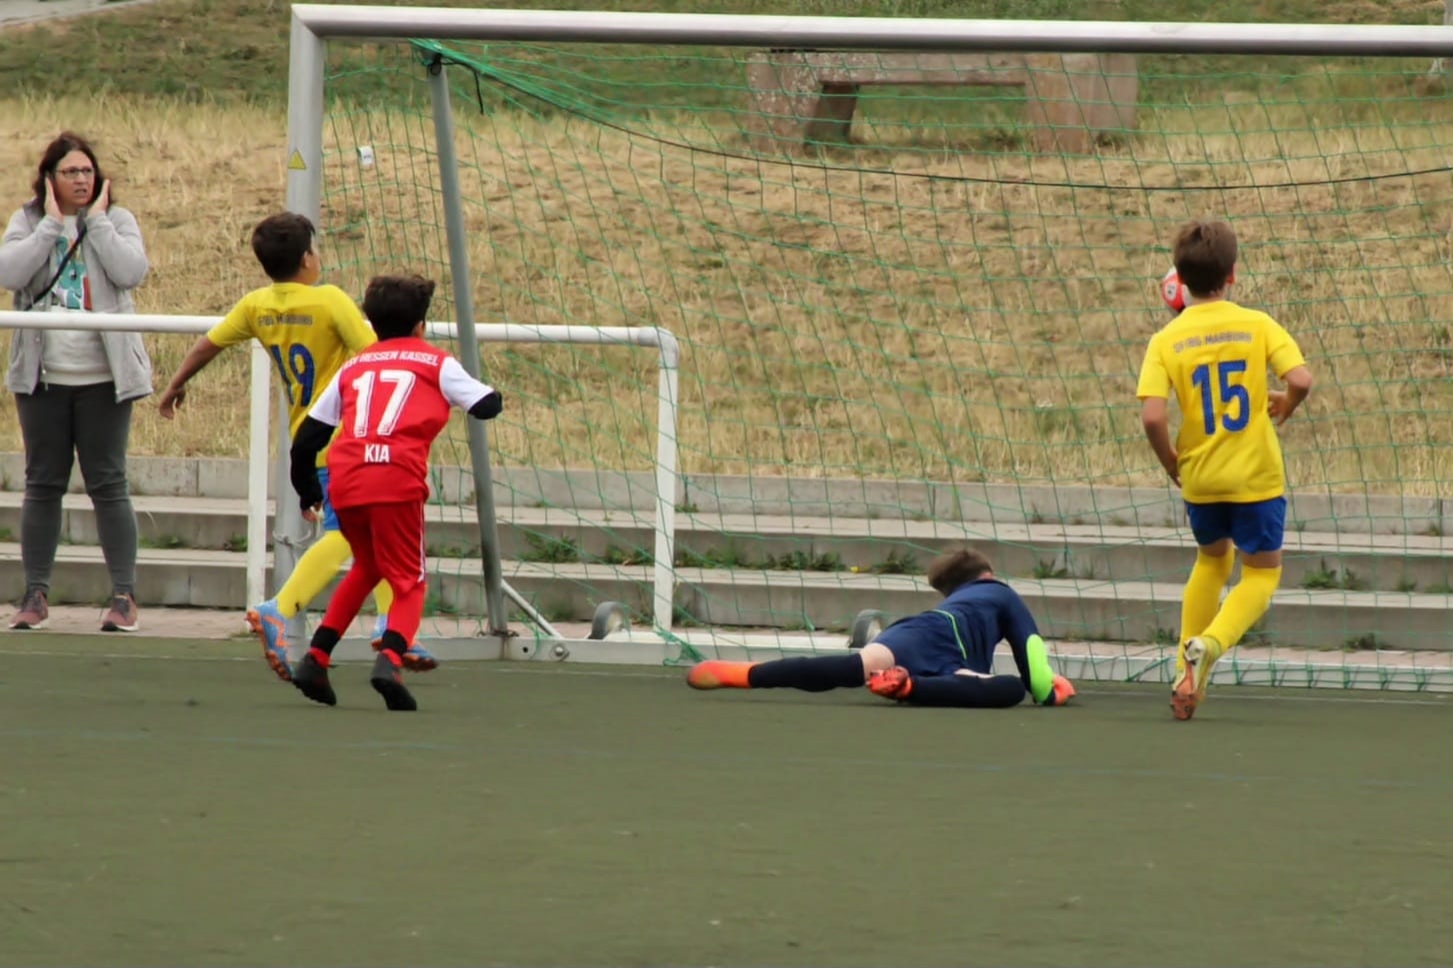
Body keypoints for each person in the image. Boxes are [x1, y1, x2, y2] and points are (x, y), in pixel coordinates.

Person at [156, 213, 435, 679]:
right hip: (351, 442)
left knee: (378, 540)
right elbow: (380, 354)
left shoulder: (257, 305)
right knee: (348, 537)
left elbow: (208, 344)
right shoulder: (330, 300)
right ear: (308, 258)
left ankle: (392, 627)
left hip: (310, 439)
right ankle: (279, 608)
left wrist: (175, 383)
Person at [286, 273, 502, 711]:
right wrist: (488, 394)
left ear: (371, 322)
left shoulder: (355, 366)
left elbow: (307, 438)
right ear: (421, 325)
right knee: (410, 580)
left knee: (367, 566)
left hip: (346, 479)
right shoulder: (435, 362)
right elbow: (486, 405)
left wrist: (306, 488)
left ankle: (317, 657)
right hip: (395, 479)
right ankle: (389, 660)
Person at [1137, 219, 1314, 721]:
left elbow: (1152, 416)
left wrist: (1170, 461)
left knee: (1211, 561)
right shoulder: (1257, 324)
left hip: (1201, 477)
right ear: (1232, 274)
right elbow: (1302, 379)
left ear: (1179, 279)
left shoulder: (1166, 339)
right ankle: (1210, 645)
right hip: (1255, 476)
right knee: (1261, 573)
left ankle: (1184, 672)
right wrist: (1287, 402)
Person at [0, 131, 150, 633]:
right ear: (50, 178)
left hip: (105, 378)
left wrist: (98, 223)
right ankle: (35, 594)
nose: (81, 180)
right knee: (43, 483)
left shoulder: (118, 219)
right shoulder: (27, 221)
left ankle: (123, 596)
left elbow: (131, 272)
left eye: (87, 171)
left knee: (109, 483)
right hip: (42, 377)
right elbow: (10, 273)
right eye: (70, 172)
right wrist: (50, 225)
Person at [686, 547, 1076, 708]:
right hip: (949, 657)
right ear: (987, 574)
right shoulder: (1002, 593)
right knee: (1010, 690)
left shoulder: (954, 604)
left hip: (912, 634)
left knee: (849, 668)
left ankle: (746, 674)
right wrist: (1053, 690)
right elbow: (1035, 665)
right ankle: (907, 687)